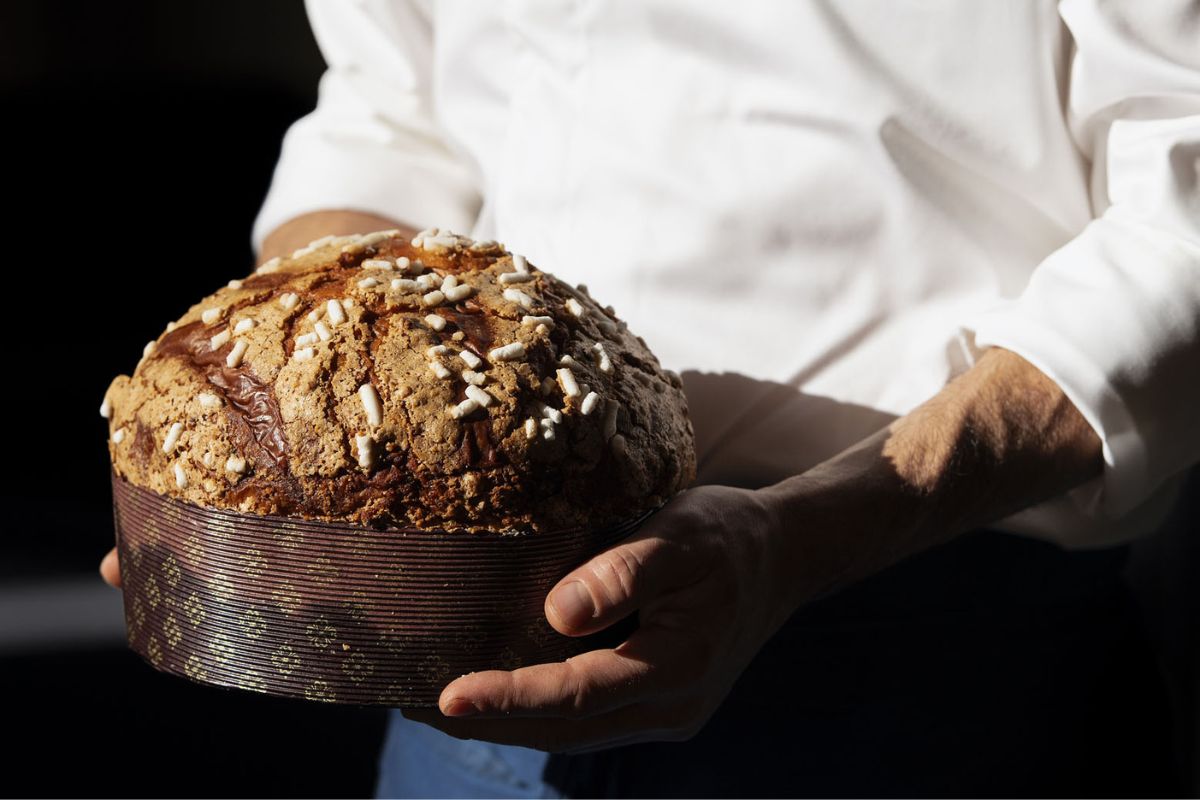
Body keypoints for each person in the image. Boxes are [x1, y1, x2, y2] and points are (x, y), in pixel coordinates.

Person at [101, 1, 1200, 795]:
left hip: (930, 663)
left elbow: (1181, 217)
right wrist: (275, 437)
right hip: (467, 679)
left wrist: (802, 537)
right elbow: (397, 108)